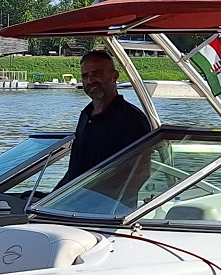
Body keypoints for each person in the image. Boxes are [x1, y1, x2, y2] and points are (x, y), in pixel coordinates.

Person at [59, 47, 152, 186]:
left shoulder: (132, 119)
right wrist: (52, 197)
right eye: (85, 76)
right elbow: (76, 169)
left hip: (110, 205)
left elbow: (140, 173)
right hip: (73, 203)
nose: (90, 80)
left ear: (114, 76)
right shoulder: (85, 115)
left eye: (97, 74)